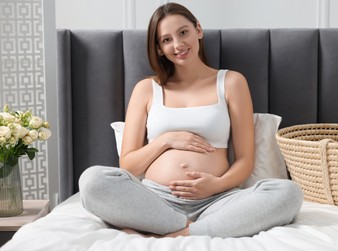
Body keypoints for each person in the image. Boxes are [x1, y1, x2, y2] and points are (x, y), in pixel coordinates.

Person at [79, 2, 303, 238]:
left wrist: (216, 185)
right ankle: (191, 227)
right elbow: (128, 166)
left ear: (198, 30)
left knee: (288, 193)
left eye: (183, 32)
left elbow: (245, 160)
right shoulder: (146, 89)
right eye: (166, 40)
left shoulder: (231, 82)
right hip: (155, 200)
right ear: (158, 49)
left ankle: (179, 231)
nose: (178, 44)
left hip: (217, 200)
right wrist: (166, 140)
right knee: (92, 181)